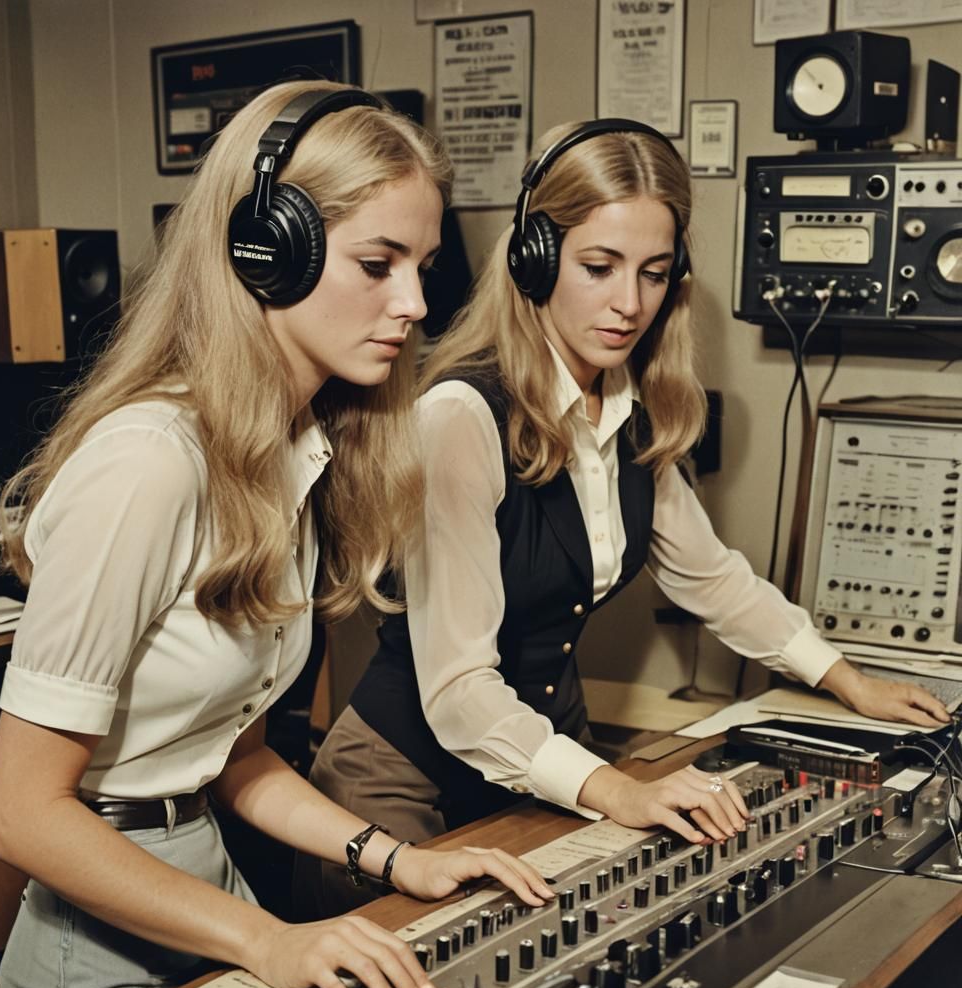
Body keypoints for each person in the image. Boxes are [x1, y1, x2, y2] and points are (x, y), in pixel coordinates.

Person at [0, 80, 554, 988]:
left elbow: (234, 756)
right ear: (266, 251)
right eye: (379, 262)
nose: (413, 301)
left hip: (208, 905)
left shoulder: (293, 453)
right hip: (96, 958)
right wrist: (268, 940)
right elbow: (20, 814)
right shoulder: (148, 464)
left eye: (422, 264)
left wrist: (396, 858)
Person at [301, 117, 951, 917]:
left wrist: (850, 680)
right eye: (599, 267)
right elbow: (461, 691)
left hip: (543, 764)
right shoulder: (460, 417)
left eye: (652, 273)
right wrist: (616, 790)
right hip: (399, 784)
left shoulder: (633, 406)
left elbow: (712, 577)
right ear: (534, 262)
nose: (628, 304)